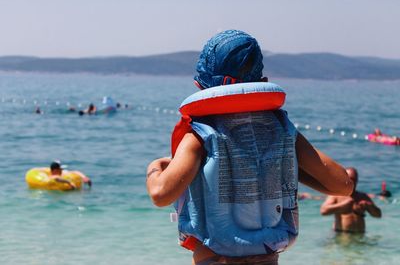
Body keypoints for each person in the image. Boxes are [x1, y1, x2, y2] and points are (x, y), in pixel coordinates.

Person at [146, 30, 353, 265]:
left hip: (215, 258)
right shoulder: (283, 131)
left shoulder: (200, 135)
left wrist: (155, 167)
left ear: (199, 85)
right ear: (262, 83)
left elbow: (160, 194)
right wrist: (286, 167)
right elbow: (342, 185)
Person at [320, 167, 381, 233]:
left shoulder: (363, 196)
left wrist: (370, 206)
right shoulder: (336, 195)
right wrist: (342, 205)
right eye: (350, 179)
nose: (352, 182)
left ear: (357, 180)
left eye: (354, 179)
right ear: (343, 179)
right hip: (342, 234)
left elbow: (378, 215)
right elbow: (323, 211)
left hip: (360, 236)